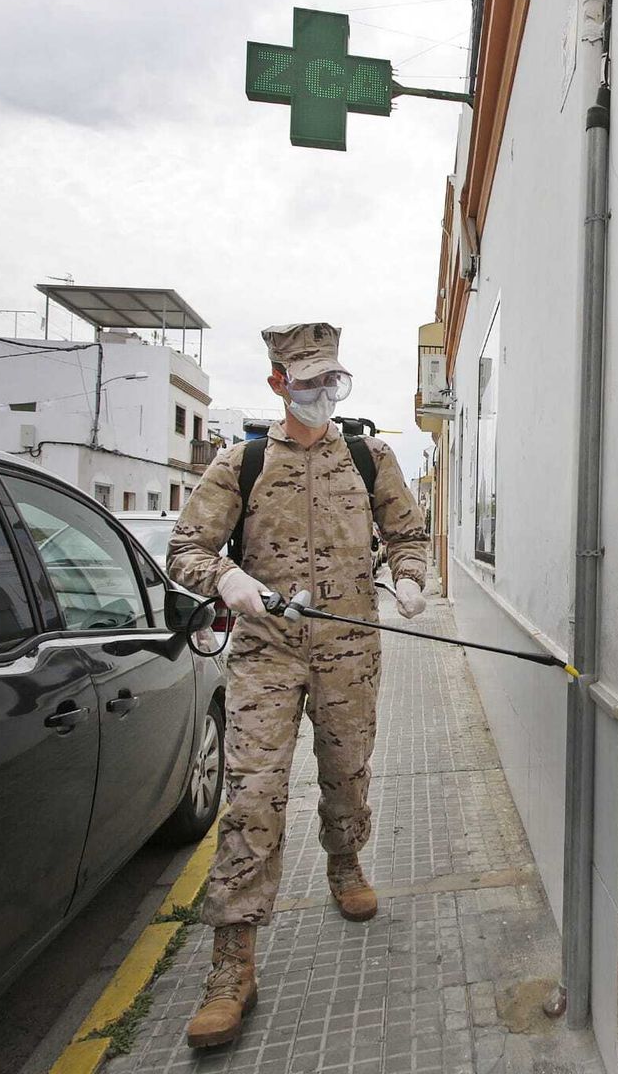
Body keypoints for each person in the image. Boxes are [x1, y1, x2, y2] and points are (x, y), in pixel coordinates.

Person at [166, 323, 431, 1049]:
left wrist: (410, 578)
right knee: (252, 794)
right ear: (278, 382)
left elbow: (409, 535)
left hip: (349, 648)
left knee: (347, 772)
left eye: (330, 381)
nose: (320, 393)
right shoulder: (241, 463)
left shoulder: (369, 456)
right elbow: (186, 548)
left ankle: (345, 860)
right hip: (266, 654)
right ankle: (232, 964)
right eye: (305, 381)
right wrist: (227, 577)